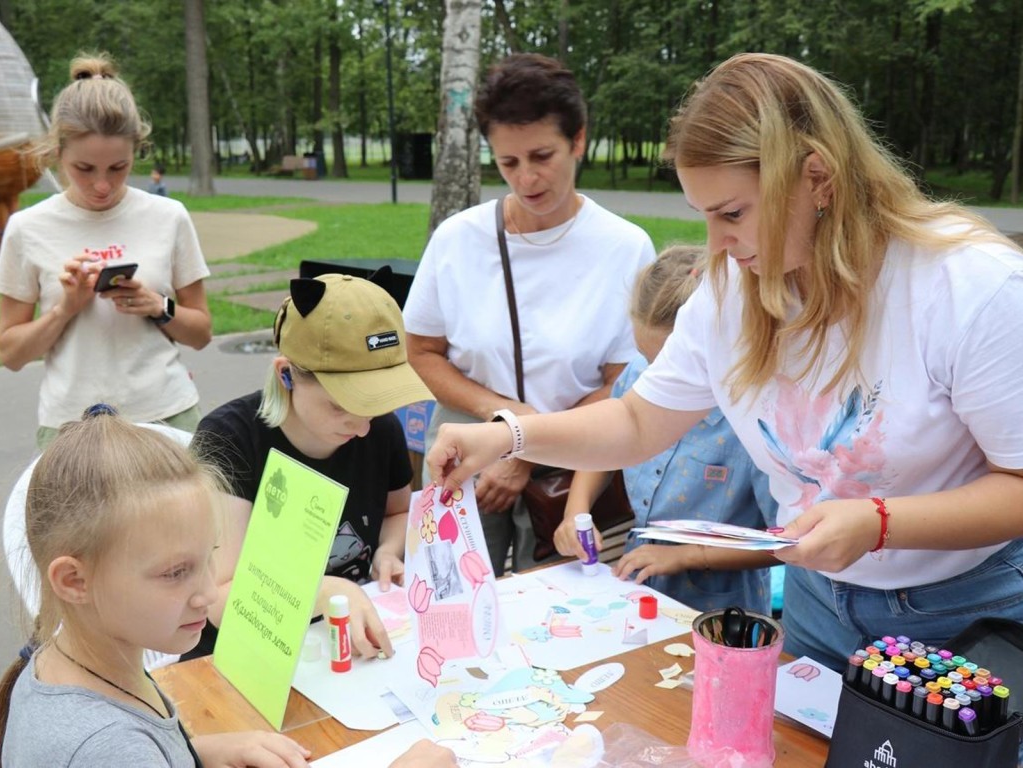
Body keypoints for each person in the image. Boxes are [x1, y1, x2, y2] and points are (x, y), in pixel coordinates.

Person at [425, 52, 1023, 673]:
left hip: (964, 610)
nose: (715, 246)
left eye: (732, 214)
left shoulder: (970, 288)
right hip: (819, 602)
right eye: (703, 216)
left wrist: (878, 522)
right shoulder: (730, 289)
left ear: (817, 176)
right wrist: (506, 435)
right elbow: (635, 423)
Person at [0, 408, 456, 768]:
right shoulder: (107, 747)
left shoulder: (80, 661)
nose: (205, 591)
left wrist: (200, 753)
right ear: (75, 581)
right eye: (175, 572)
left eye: (210, 557)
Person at [404, 53, 656, 576]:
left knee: (558, 624)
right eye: (508, 163)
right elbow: (421, 351)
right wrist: (505, 417)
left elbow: (624, 381)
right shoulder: (459, 239)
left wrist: (522, 450)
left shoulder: (625, 247)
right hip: (464, 450)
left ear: (579, 139)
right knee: (450, 607)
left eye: (542, 155)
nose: (526, 178)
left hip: (573, 466)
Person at [189, 273, 434, 661]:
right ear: (286, 374)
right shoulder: (228, 438)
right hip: (245, 655)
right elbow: (215, 598)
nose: (362, 424)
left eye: (376, 402)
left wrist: (388, 550)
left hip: (346, 645)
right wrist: (327, 592)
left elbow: (399, 510)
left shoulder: (380, 427)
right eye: (341, 403)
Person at [0, 53, 211, 450]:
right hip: (72, 428)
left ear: (136, 152)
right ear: (57, 153)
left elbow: (201, 333)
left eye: (118, 167)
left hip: (166, 415)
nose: (102, 185)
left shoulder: (169, 216)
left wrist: (155, 305)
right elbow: (9, 352)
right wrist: (66, 308)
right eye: (84, 168)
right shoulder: (27, 228)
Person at [553, 246, 778, 614]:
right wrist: (576, 512)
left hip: (721, 609)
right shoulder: (640, 373)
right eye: (647, 360)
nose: (659, 379)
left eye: (670, 364)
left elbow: (786, 542)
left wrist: (688, 556)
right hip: (638, 584)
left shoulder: (758, 418)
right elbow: (608, 445)